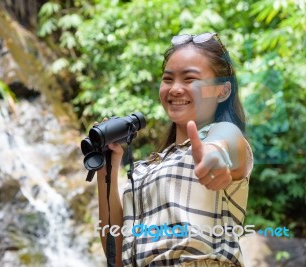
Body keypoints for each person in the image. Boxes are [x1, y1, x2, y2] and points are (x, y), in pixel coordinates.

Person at [95, 32, 253, 267]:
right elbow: (115, 256)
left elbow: (229, 139)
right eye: (168, 79)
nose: (175, 89)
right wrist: (106, 169)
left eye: (190, 79)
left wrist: (214, 152)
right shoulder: (141, 171)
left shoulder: (224, 136)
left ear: (223, 91)